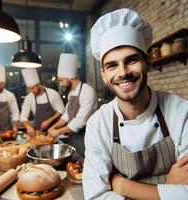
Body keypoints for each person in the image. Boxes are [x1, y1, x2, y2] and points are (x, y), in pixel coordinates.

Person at [83, 8, 188, 200]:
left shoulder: (181, 112)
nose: (123, 72)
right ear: (104, 75)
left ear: (148, 63)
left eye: (131, 60)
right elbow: (96, 196)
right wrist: (169, 189)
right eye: (112, 65)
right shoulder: (98, 124)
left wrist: (123, 186)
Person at [48, 53, 98, 157]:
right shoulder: (72, 92)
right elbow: (67, 115)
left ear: (69, 77)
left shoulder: (88, 91)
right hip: (73, 138)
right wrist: (53, 127)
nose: (61, 84)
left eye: (61, 80)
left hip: (86, 138)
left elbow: (80, 121)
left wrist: (58, 132)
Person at [20, 68, 64, 137]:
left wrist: (48, 121)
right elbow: (23, 116)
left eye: (32, 88)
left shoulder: (53, 93)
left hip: (54, 131)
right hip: (37, 132)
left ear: (38, 85)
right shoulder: (29, 97)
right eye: (29, 89)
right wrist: (28, 126)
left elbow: (61, 110)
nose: (31, 91)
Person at [0, 65, 19, 134]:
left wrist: (15, 126)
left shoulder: (10, 95)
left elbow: (15, 112)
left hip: (7, 130)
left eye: (0, 85)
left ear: (4, 83)